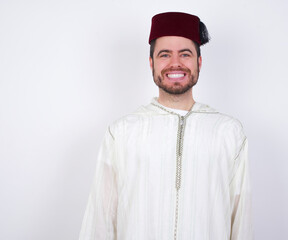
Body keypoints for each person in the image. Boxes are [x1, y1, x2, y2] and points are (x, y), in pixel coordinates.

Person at [79, 12, 253, 240]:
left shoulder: (228, 133)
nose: (175, 63)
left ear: (199, 62)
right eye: (164, 54)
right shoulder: (121, 133)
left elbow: (241, 221)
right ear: (151, 63)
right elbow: (100, 220)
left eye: (185, 54)